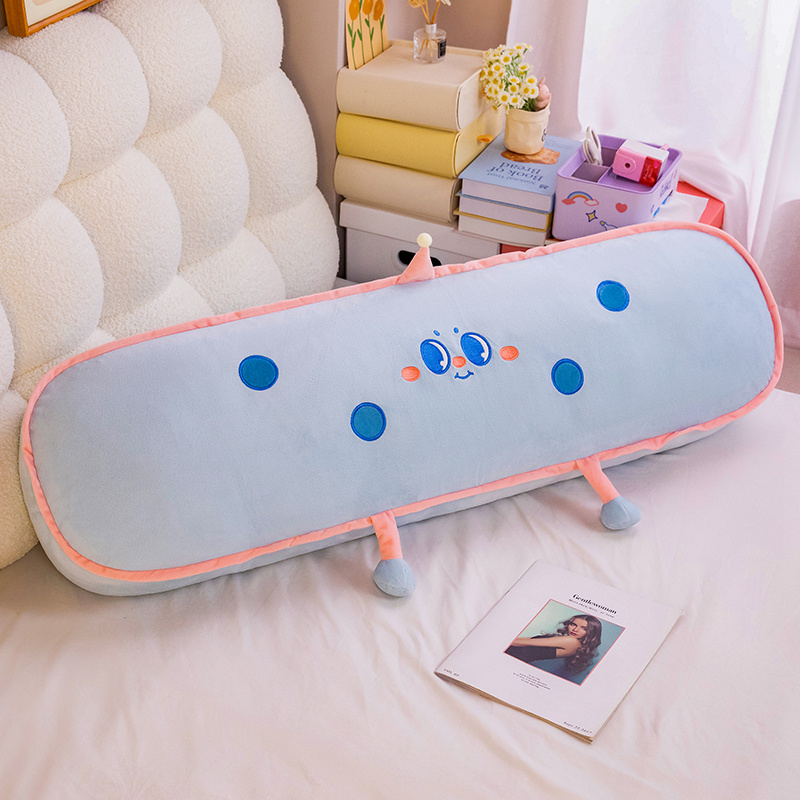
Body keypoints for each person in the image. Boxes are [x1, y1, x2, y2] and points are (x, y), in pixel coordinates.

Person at [504, 614, 602, 676]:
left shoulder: (572, 641)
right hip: (511, 654)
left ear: (591, 632)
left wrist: (502, 640)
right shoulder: (572, 642)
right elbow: (528, 640)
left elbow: (518, 642)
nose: (575, 629)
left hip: (511, 654)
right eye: (573, 624)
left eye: (584, 628)